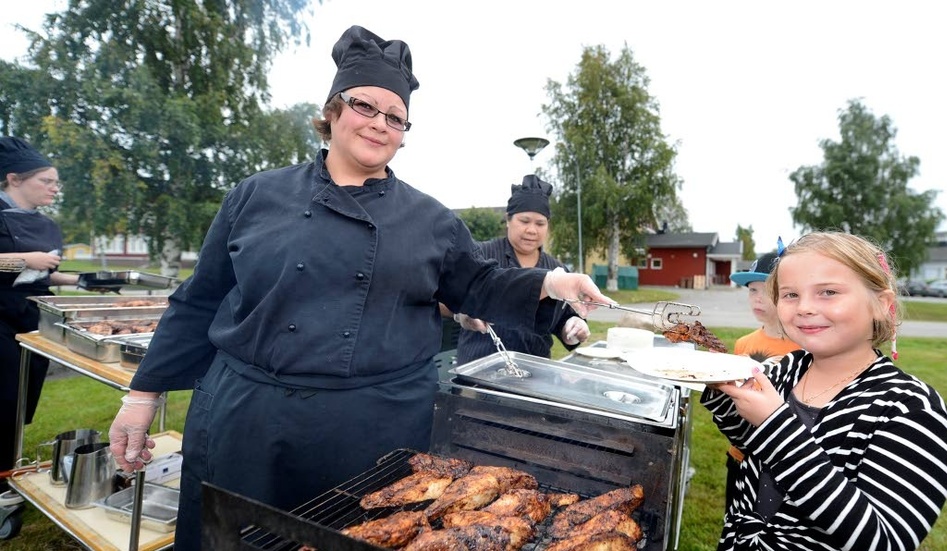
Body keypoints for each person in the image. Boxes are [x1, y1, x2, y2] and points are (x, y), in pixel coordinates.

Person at [106, 25, 611, 549]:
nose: (379, 124)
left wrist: (554, 281)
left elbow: (479, 284)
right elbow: (200, 299)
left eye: (395, 117)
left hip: (370, 431)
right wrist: (142, 396)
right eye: (365, 106)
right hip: (249, 422)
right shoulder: (256, 195)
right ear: (332, 111)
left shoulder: (431, 219)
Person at [701, 231, 947, 551]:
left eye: (828, 292)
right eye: (790, 295)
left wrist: (775, 426)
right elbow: (747, 440)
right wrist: (720, 386)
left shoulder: (911, 410)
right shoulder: (785, 369)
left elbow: (883, 541)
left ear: (881, 304)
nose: (805, 307)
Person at [0, 137, 80, 506]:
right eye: (46, 181)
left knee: (20, 402)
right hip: (0, 322)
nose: (54, 188)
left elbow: (44, 276)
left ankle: (10, 470)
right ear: (13, 179)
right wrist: (23, 259)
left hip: (34, 323)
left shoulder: (46, 225)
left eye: (56, 183)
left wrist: (83, 281)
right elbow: (23, 266)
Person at [446, 175, 590, 366]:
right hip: (478, 370)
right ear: (508, 219)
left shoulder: (557, 271)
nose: (532, 230)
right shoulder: (480, 255)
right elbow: (445, 296)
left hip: (534, 374)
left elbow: (564, 320)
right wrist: (461, 314)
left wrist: (573, 328)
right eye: (524, 221)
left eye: (540, 223)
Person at [723, 251, 801, 510]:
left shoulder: (804, 347)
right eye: (751, 290)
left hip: (779, 461)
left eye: (766, 290)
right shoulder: (744, 343)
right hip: (740, 455)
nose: (757, 298)